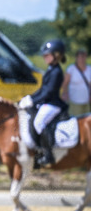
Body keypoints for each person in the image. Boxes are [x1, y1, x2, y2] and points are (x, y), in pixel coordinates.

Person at [19, 39, 67, 167]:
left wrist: (33, 101)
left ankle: (48, 155)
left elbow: (48, 93)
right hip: (47, 102)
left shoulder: (56, 72)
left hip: (53, 104)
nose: (45, 57)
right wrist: (29, 98)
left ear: (56, 55)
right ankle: (36, 153)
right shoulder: (51, 69)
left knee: (39, 122)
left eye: (47, 55)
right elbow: (42, 90)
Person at [61, 48, 90, 117]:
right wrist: (65, 93)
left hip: (87, 101)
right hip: (75, 101)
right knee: (77, 121)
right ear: (76, 58)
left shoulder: (89, 69)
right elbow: (65, 83)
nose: (82, 59)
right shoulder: (71, 69)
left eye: (83, 57)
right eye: (80, 57)